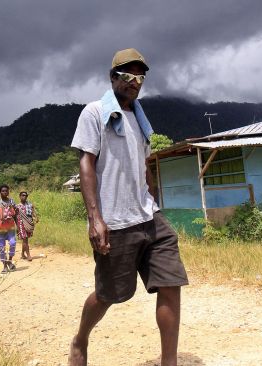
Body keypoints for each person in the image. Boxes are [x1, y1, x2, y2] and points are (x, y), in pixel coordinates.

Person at [68, 48, 188, 366]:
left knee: (171, 282)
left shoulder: (139, 119)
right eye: (127, 75)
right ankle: (80, 339)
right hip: (115, 221)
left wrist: (154, 198)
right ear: (113, 77)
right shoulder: (94, 113)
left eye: (140, 76)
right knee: (109, 295)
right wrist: (95, 219)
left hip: (149, 217)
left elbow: (142, 164)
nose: (135, 81)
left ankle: (169, 361)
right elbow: (86, 164)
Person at [0, 184, 18, 274]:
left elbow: (15, 215)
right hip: (0, 228)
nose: (5, 192)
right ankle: (5, 266)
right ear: (0, 192)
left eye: (6, 191)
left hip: (10, 227)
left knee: (13, 243)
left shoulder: (12, 201)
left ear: (8, 191)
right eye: (3, 191)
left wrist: (18, 226)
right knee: (2, 247)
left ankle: (9, 261)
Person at [15, 191, 38, 261]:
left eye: (25, 195)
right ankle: (28, 255)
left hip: (28, 224)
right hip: (21, 224)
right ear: (20, 196)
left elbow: (34, 213)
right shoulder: (17, 206)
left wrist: (36, 218)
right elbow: (15, 217)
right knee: (25, 239)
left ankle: (22, 254)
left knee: (26, 239)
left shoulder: (30, 205)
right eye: (22, 195)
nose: (24, 197)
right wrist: (17, 227)